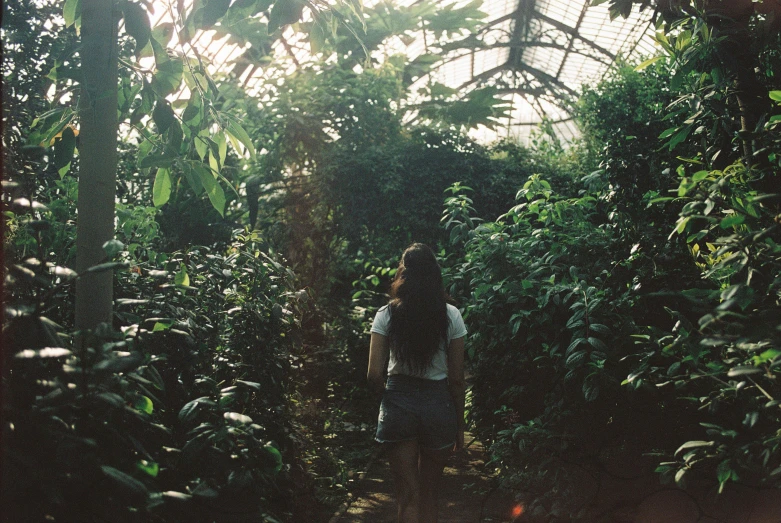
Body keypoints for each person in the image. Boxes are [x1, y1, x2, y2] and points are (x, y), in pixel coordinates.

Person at [367, 243, 467, 523]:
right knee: (430, 496)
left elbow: (374, 375)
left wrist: (388, 404)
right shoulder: (451, 315)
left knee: (407, 497)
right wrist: (459, 426)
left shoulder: (386, 314)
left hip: (398, 402)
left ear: (403, 274)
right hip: (438, 406)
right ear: (435, 274)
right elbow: (457, 379)